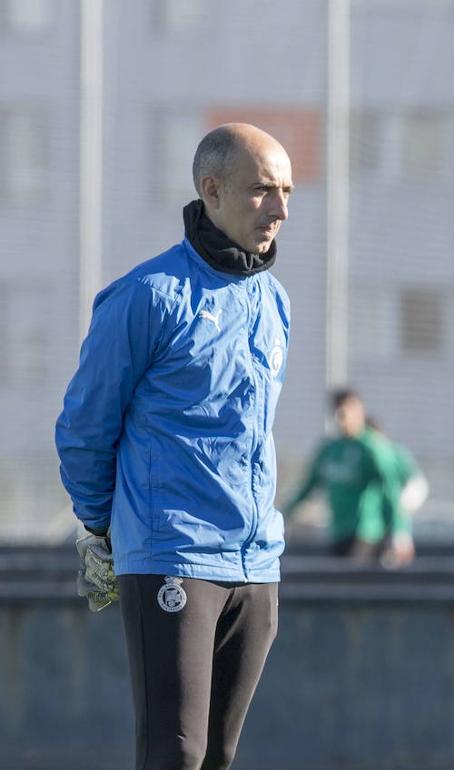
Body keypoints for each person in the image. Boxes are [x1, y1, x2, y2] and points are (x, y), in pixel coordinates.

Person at [55, 123, 293, 770]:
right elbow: (84, 427)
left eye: (286, 191)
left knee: (218, 756)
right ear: (210, 191)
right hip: (173, 556)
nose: (280, 209)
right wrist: (103, 526)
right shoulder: (148, 297)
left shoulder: (274, 303)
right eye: (262, 191)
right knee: (175, 754)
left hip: (256, 565)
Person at [285, 388, 418, 566]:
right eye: (338, 413)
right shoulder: (329, 450)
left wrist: (400, 531)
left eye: (347, 412)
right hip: (338, 530)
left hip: (366, 533)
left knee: (352, 579)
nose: (342, 419)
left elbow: (391, 489)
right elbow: (308, 486)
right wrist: (284, 516)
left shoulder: (373, 448)